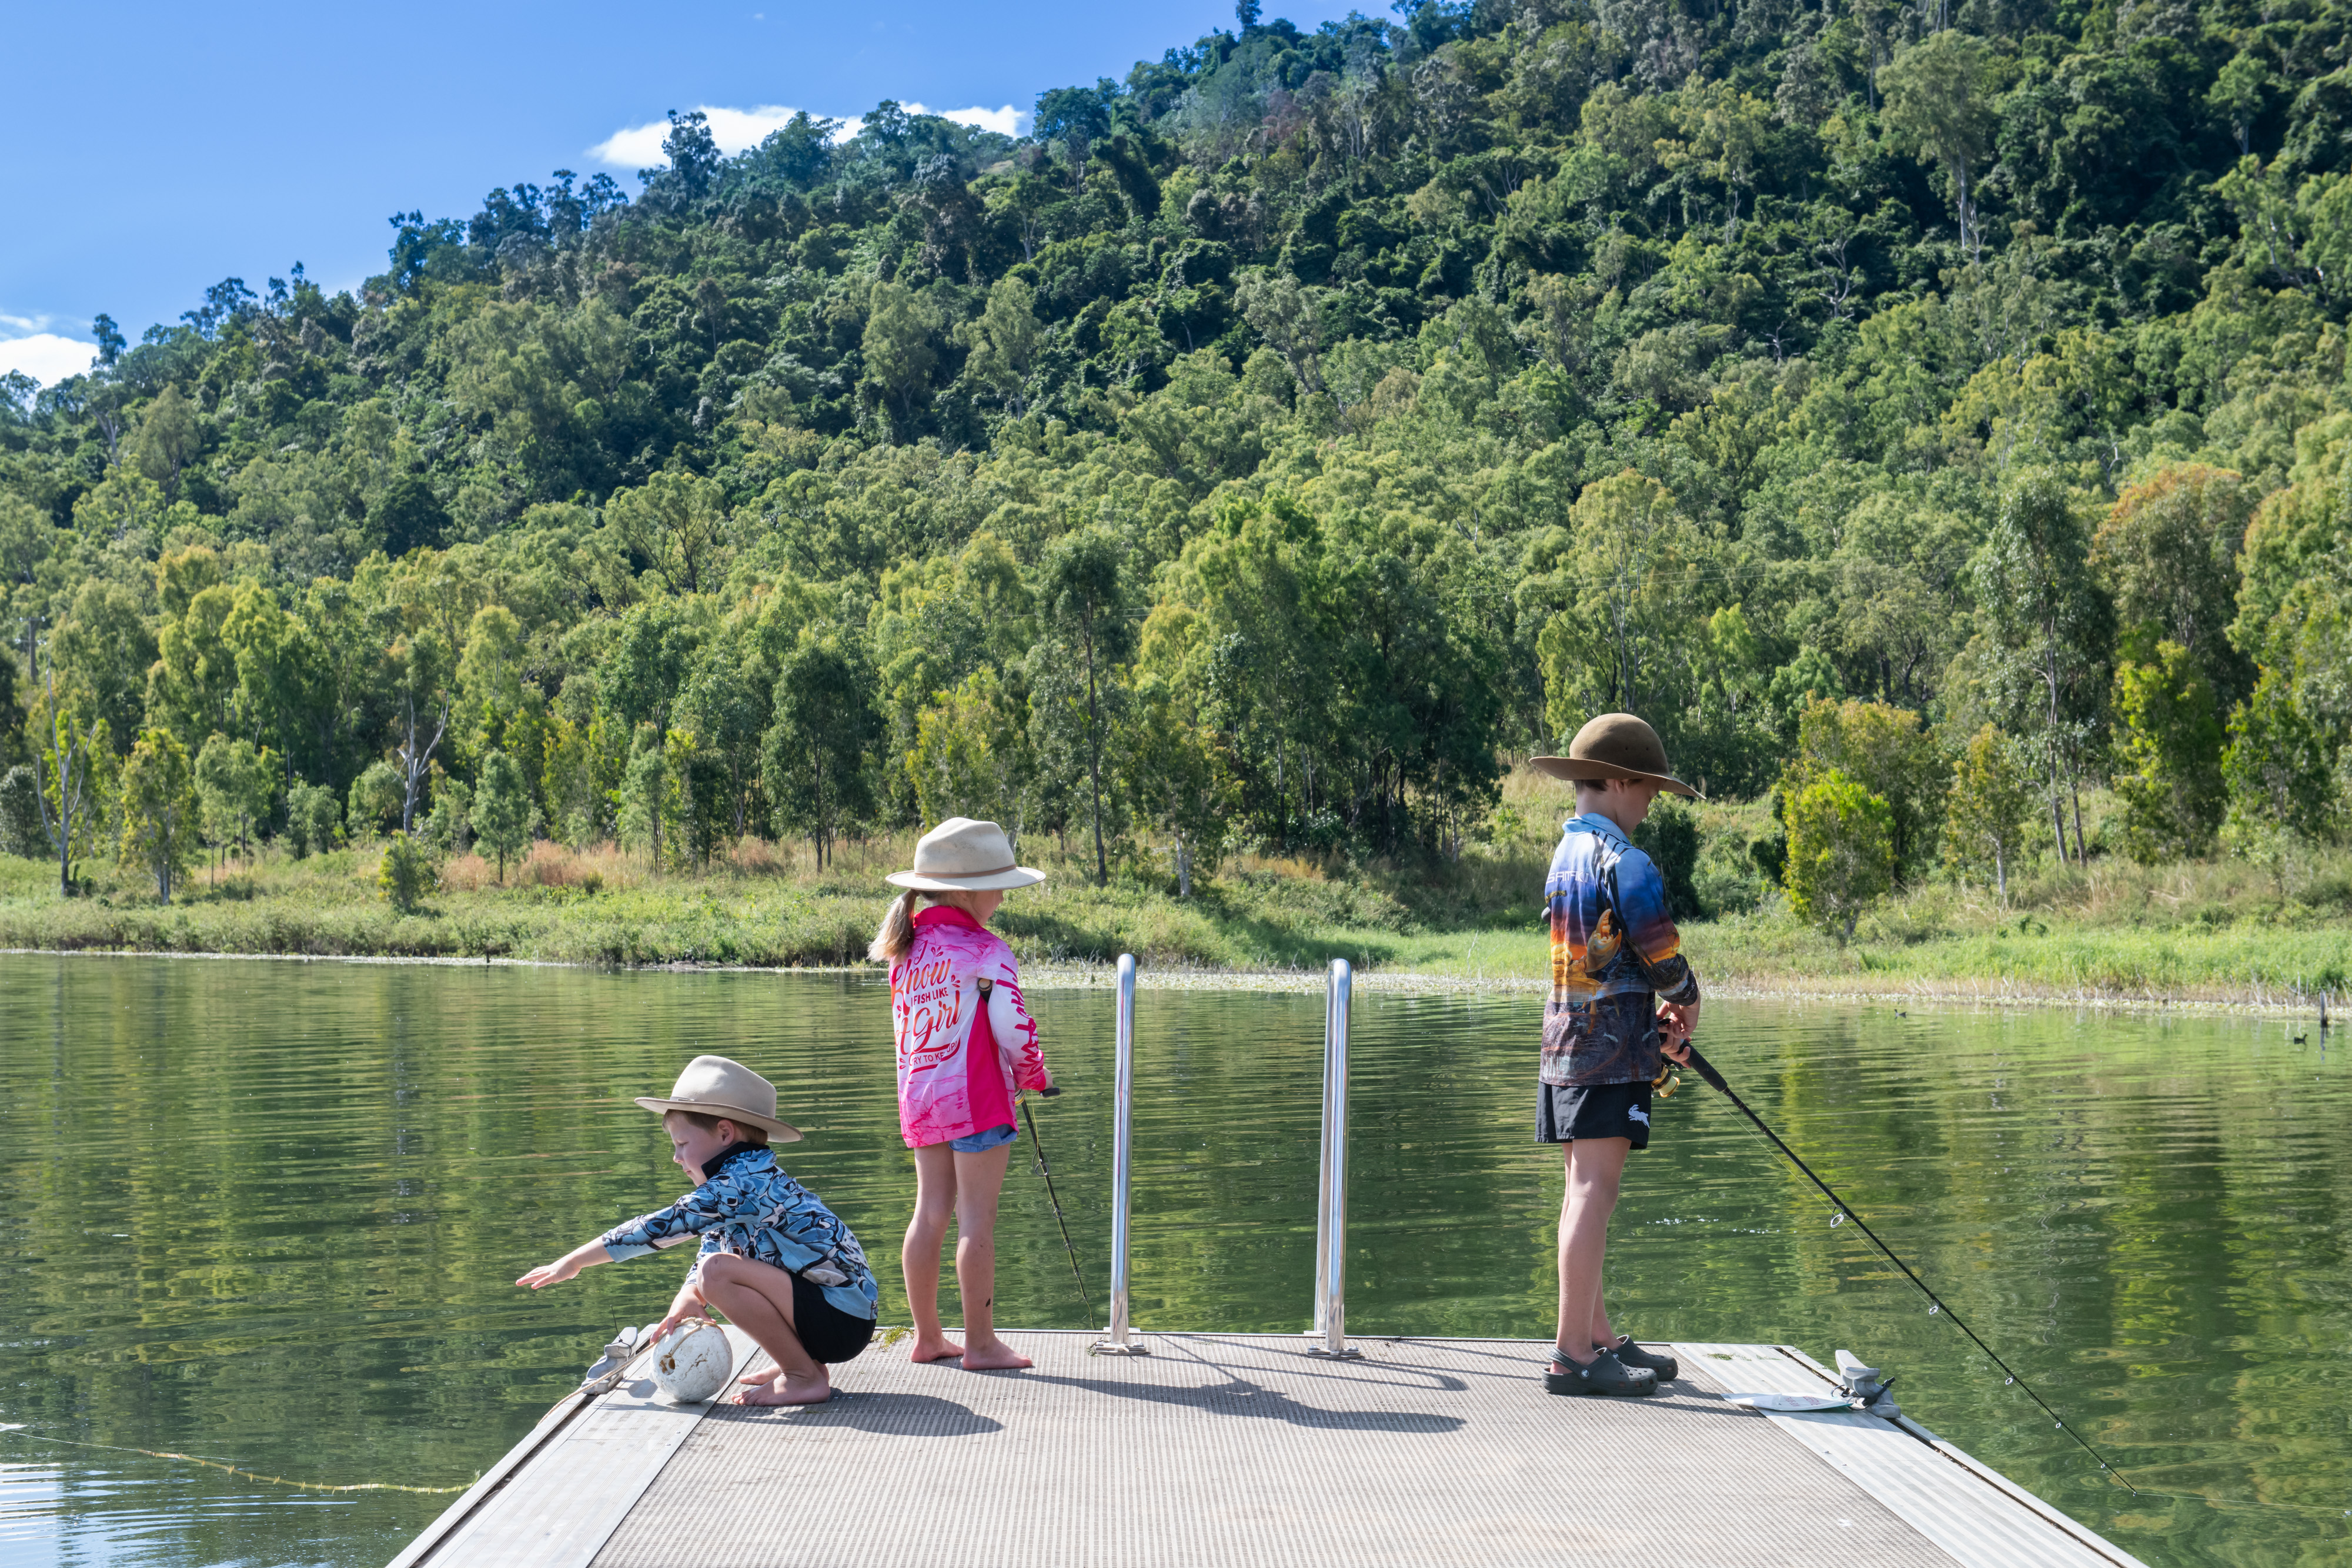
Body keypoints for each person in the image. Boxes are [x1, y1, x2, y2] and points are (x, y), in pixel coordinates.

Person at [516, 1054, 878, 1406]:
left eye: (683, 1144)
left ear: (724, 1133)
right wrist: (690, 1295)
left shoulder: (742, 1185)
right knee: (712, 1269)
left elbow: (661, 1227)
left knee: (717, 1272)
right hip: (839, 1317)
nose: (676, 1157)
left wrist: (576, 1260)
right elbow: (714, 1241)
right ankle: (804, 1363)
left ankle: (804, 1377)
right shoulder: (748, 1178)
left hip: (840, 1319)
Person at [1527, 714, 1702, 1398]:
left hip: (1563, 1044)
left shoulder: (1565, 854)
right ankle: (1573, 1355)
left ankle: (1597, 1334)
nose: (1650, 806)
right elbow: (1660, 954)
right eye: (1649, 792)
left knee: (1580, 1192)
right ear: (1623, 782)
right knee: (1596, 1195)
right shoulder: (1624, 861)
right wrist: (1687, 999)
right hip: (1610, 1053)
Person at [871, 817, 1054, 1371]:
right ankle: (980, 1343)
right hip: (975, 1099)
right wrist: (1036, 1074)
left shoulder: (905, 951)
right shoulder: (986, 949)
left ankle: (928, 1336)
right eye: (999, 884)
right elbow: (1013, 1028)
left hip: (921, 1098)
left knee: (930, 1213)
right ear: (969, 889)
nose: (1003, 896)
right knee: (978, 1219)